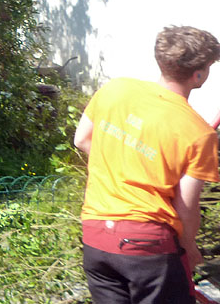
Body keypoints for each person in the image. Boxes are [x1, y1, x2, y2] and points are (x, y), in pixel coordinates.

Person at [74, 25, 220, 304]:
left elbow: (82, 139)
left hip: (95, 236)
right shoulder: (199, 133)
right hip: (148, 245)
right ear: (199, 74)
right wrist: (188, 248)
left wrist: (125, 162)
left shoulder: (115, 89)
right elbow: (186, 207)